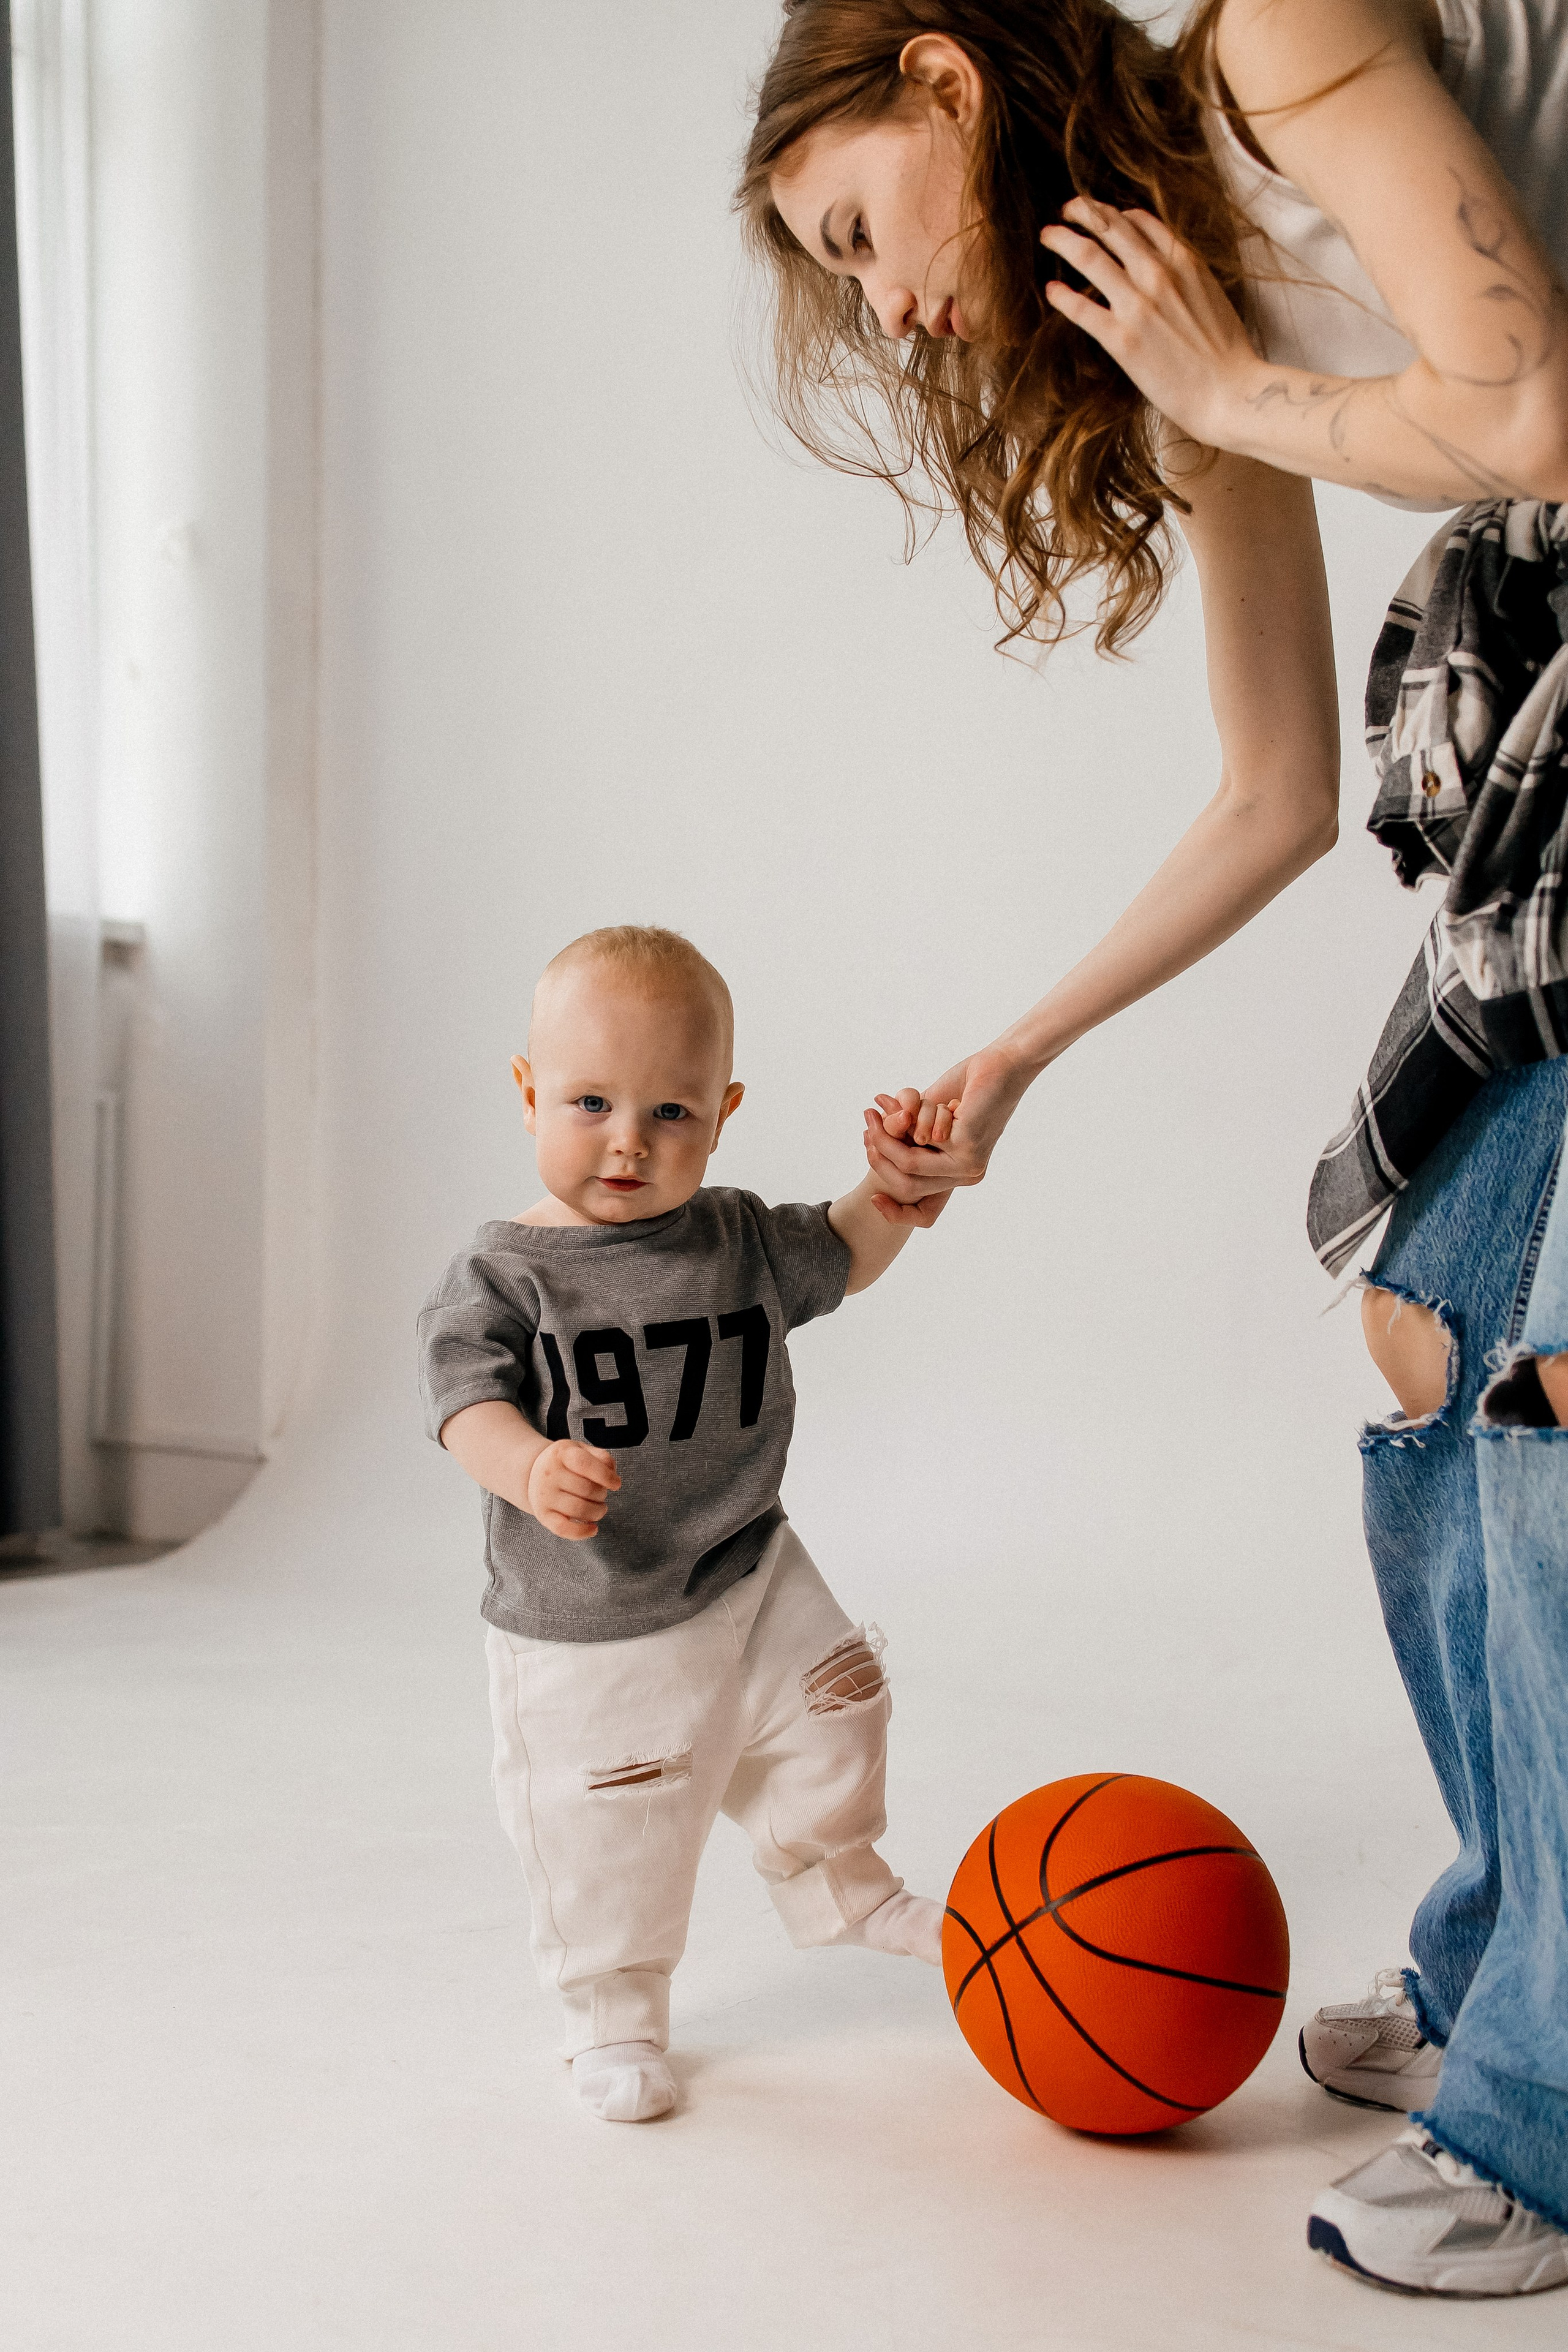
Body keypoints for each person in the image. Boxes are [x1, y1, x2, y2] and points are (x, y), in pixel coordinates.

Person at [737, 0, 1568, 2299]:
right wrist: (1019, 1055)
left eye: (859, 231)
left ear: (941, 81)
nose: (888, 306)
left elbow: (1542, 410)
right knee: (1434, 1324)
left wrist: (1233, 394)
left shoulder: (1279, 37)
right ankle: (1521, 1949)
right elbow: (1278, 788)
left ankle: (1556, 2108)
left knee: (1556, 1390)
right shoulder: (1167, 296)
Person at [417, 925, 948, 2124]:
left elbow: (845, 1251)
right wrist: (528, 1465)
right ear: (526, 1092)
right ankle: (611, 2011)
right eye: (590, 1102)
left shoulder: (735, 1234)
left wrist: (895, 1193)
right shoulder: (504, 1276)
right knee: (614, 1822)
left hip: (747, 1562)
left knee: (839, 1704)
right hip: (593, 1616)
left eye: (669, 1112)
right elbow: (461, 1406)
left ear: (722, 1114)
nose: (626, 1140)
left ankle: (843, 1884)